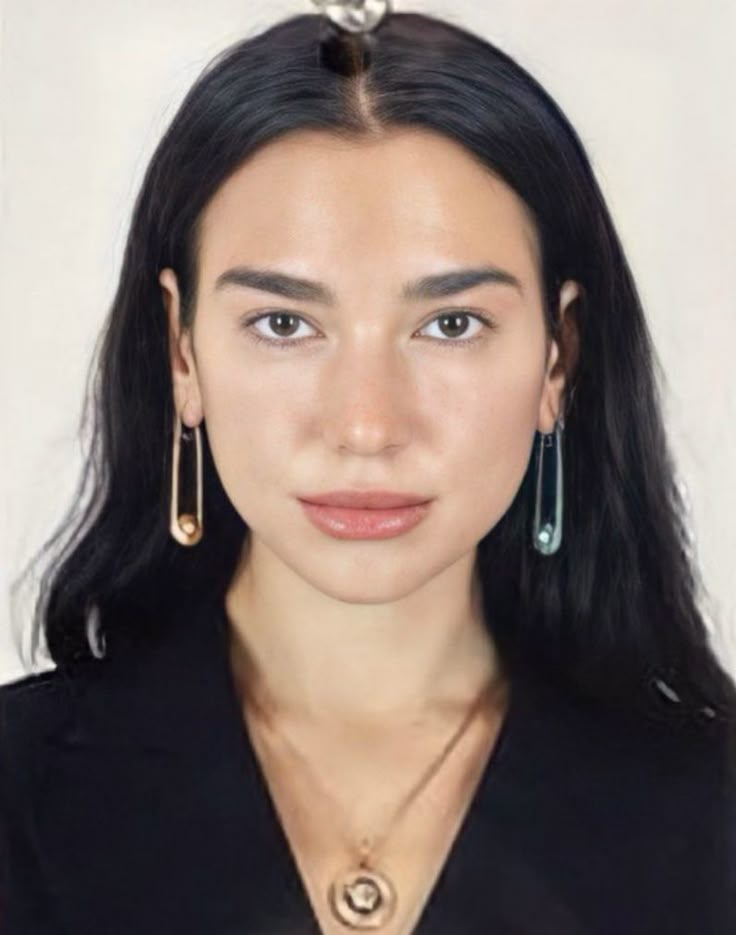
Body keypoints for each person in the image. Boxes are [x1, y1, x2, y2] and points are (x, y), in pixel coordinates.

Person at [1, 3, 734, 933]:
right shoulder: (21, 788)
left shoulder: (709, 811)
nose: (366, 425)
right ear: (182, 353)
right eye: (284, 324)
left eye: (451, 324)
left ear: (559, 356)